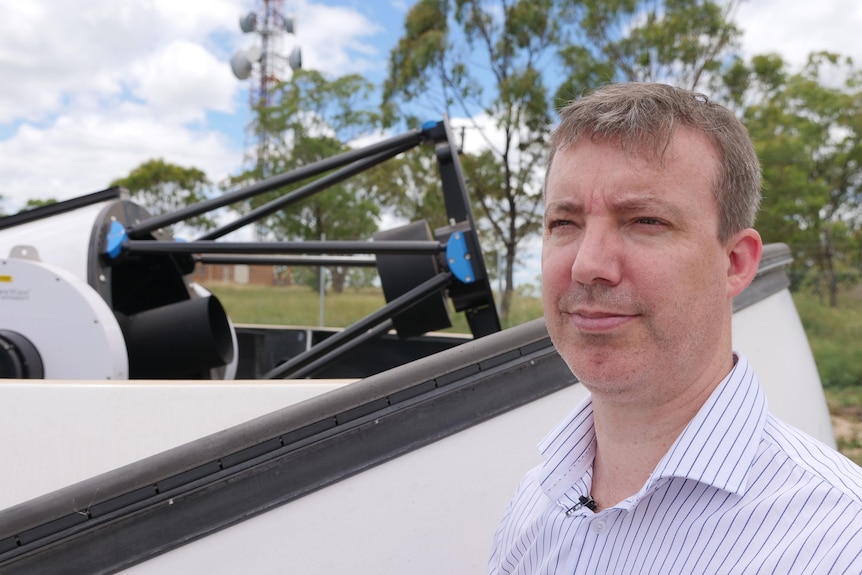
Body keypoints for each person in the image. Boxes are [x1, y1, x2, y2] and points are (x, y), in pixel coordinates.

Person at [488, 82, 862, 574]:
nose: (587, 264)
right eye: (564, 222)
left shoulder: (836, 540)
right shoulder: (533, 506)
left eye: (644, 220)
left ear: (734, 262)